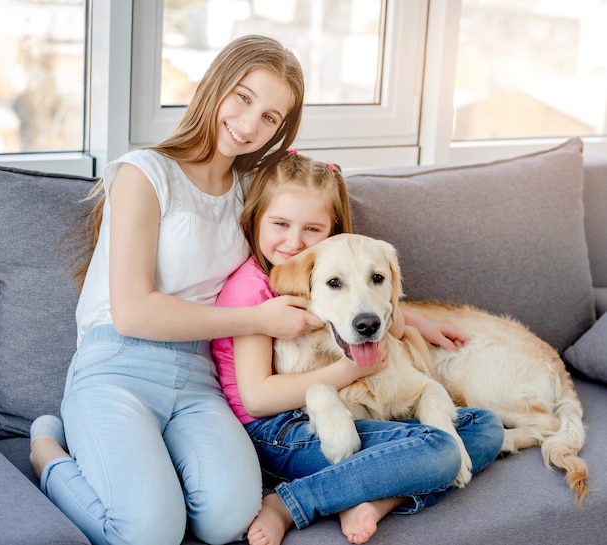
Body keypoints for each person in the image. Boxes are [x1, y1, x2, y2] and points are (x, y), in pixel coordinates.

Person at [28, 35, 324, 545]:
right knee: (146, 533)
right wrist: (258, 319)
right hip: (116, 365)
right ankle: (47, 454)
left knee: (230, 519)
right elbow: (134, 313)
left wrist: (409, 318)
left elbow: (319, 250)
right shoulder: (145, 173)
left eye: (272, 118)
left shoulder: (252, 195)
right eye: (244, 97)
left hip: (196, 375)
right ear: (214, 85)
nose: (250, 125)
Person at [211, 152, 505, 545]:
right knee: (441, 450)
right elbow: (258, 399)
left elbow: (378, 308)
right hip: (278, 430)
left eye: (311, 228)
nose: (294, 241)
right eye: (280, 223)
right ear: (256, 218)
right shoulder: (253, 291)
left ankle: (374, 499)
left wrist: (420, 324)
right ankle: (290, 503)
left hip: (333, 416)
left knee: (486, 427)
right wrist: (353, 371)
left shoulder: (336, 265)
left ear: (331, 229)